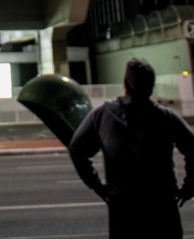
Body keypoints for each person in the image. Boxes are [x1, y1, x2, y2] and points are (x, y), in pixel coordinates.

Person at [69, 57, 194, 239]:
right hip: (162, 203)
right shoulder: (166, 117)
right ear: (151, 86)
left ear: (125, 83)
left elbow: (77, 149)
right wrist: (189, 187)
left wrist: (97, 185)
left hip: (123, 206)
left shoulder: (104, 114)